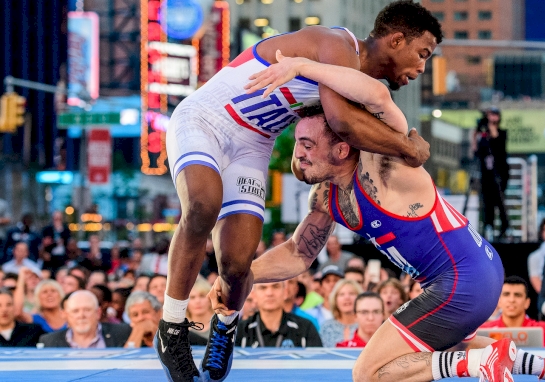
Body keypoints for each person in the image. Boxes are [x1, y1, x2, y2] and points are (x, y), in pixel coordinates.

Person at [210, 54, 545, 382]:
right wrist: (241, 275)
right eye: (298, 144)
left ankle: (474, 364)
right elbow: (297, 253)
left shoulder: (384, 165)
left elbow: (376, 97)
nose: (298, 156)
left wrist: (304, 67)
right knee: (445, 341)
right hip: (470, 277)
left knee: (370, 373)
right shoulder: (326, 196)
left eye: (307, 146)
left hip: (462, 281)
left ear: (343, 148)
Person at [157, 1, 439, 381]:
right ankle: (171, 329)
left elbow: (315, 149)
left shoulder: (359, 93)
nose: (422, 67)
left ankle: (225, 325)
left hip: (254, 144)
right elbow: (341, 120)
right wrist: (408, 146)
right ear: (396, 39)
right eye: (422, 54)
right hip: (207, 119)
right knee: (203, 206)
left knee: (238, 268)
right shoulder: (339, 44)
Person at [235, 281, 321, 348]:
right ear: (254, 295)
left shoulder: (305, 328)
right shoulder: (241, 330)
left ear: (285, 292)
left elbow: (318, 365)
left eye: (275, 287)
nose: (269, 293)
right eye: (263, 288)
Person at [481, 276, 545, 347]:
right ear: (499, 301)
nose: (511, 300)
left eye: (517, 295)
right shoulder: (484, 330)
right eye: (506, 294)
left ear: (527, 303)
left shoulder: (543, 329)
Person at [39, 290, 131, 348]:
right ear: (66, 314)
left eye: (87, 310)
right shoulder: (49, 342)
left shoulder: (123, 333)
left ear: (98, 313)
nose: (81, 315)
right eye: (75, 311)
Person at [472, 108, 509, 239]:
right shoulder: (483, 135)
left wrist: (491, 127)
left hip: (499, 172)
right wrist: (476, 132)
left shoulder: (502, 132)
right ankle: (489, 226)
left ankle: (505, 227)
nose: (492, 118)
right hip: (486, 173)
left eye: (494, 115)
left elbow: (498, 144)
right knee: (487, 202)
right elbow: (475, 149)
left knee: (499, 200)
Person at [125, 292, 206, 348]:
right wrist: (138, 332)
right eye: (135, 315)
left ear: (158, 313)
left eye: (145, 312)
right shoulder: (124, 335)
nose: (141, 318)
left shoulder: (181, 334)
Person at [319, 279, 362, 347]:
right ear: (335, 299)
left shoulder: (366, 325)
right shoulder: (327, 327)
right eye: (341, 294)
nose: (347, 298)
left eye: (351, 293)